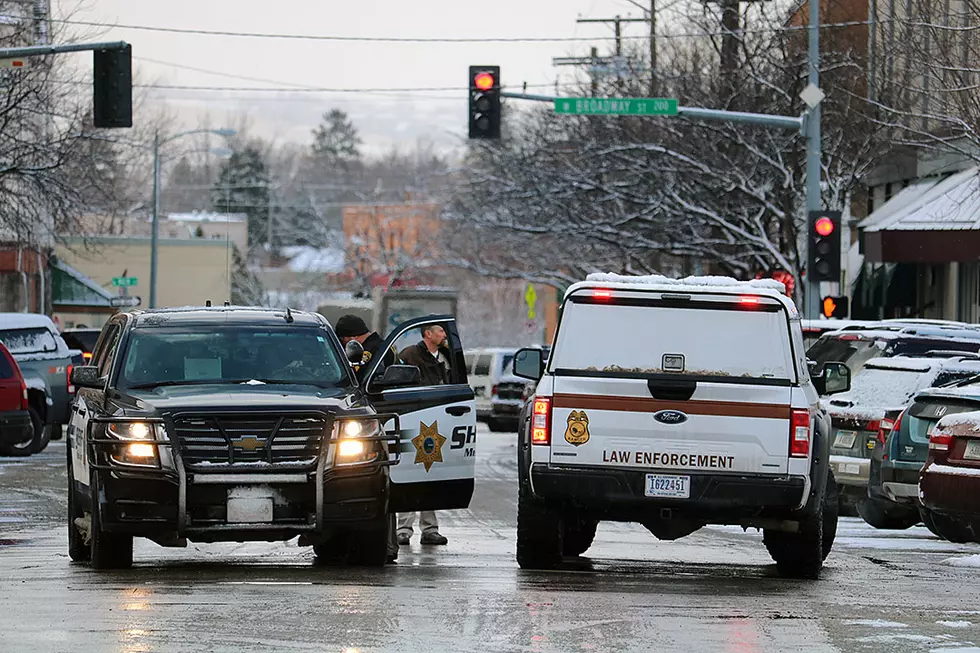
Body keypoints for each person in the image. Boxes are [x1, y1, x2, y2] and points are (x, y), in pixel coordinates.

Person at [334, 314, 400, 563]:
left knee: (378, 482)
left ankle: (386, 545)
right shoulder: (383, 346)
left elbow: (359, 382)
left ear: (350, 337)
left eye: (343, 339)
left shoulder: (370, 352)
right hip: (376, 420)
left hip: (375, 420)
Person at [395, 324, 452, 546]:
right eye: (440, 331)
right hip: (413, 419)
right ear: (428, 334)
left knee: (431, 475)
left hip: (437, 423)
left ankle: (430, 529)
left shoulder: (446, 358)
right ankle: (403, 529)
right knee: (410, 474)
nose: (444, 335)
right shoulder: (409, 355)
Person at [334, 315, 396, 383]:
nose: (341, 344)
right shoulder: (382, 345)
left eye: (342, 339)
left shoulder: (370, 351)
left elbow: (355, 379)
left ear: (354, 336)